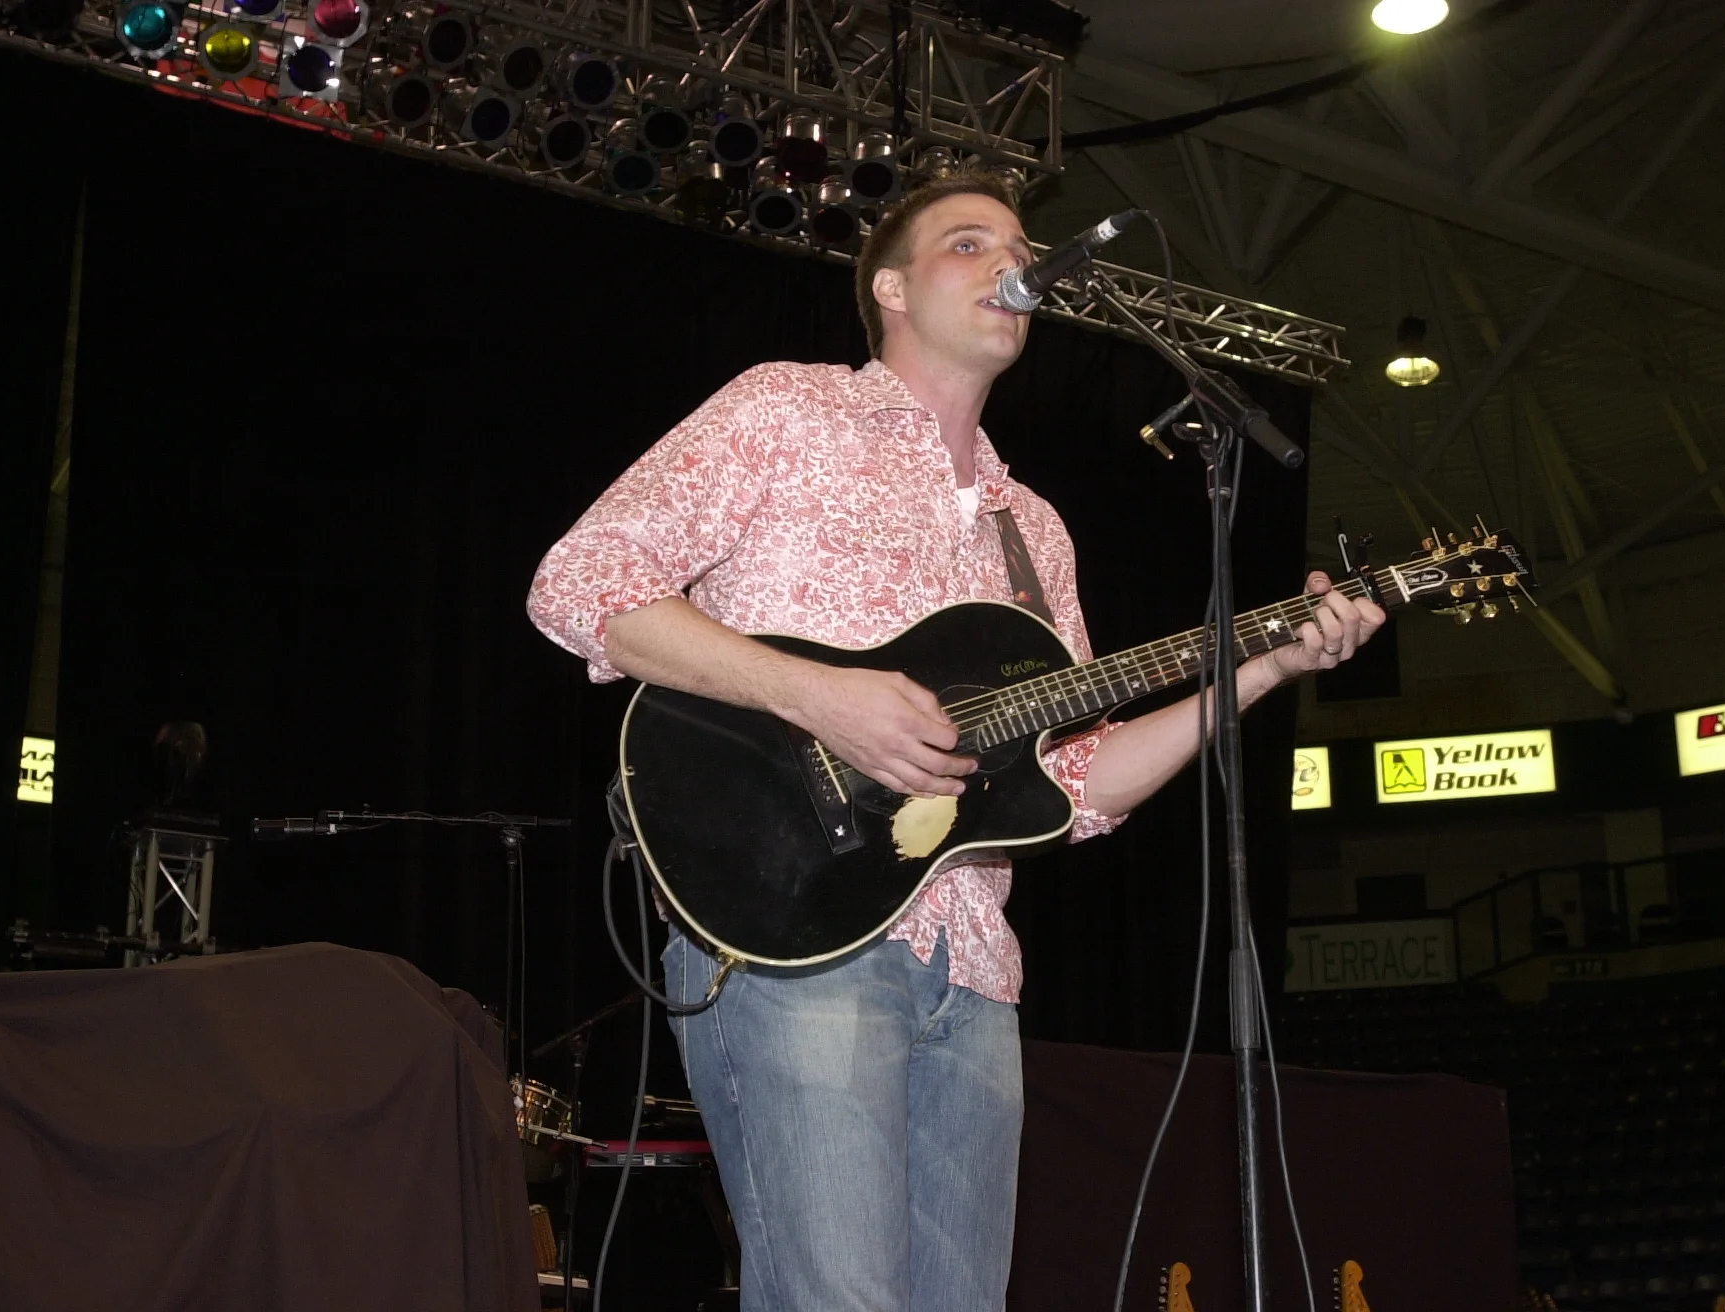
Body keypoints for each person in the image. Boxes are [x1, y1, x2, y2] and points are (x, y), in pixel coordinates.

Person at [527, 172, 1384, 1311]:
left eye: (1019, 248)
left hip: (974, 971)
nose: (1011, 264)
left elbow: (1075, 784)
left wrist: (1262, 668)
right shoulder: (786, 411)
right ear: (890, 289)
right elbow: (580, 583)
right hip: (790, 929)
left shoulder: (1035, 532)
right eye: (969, 243)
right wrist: (817, 696)